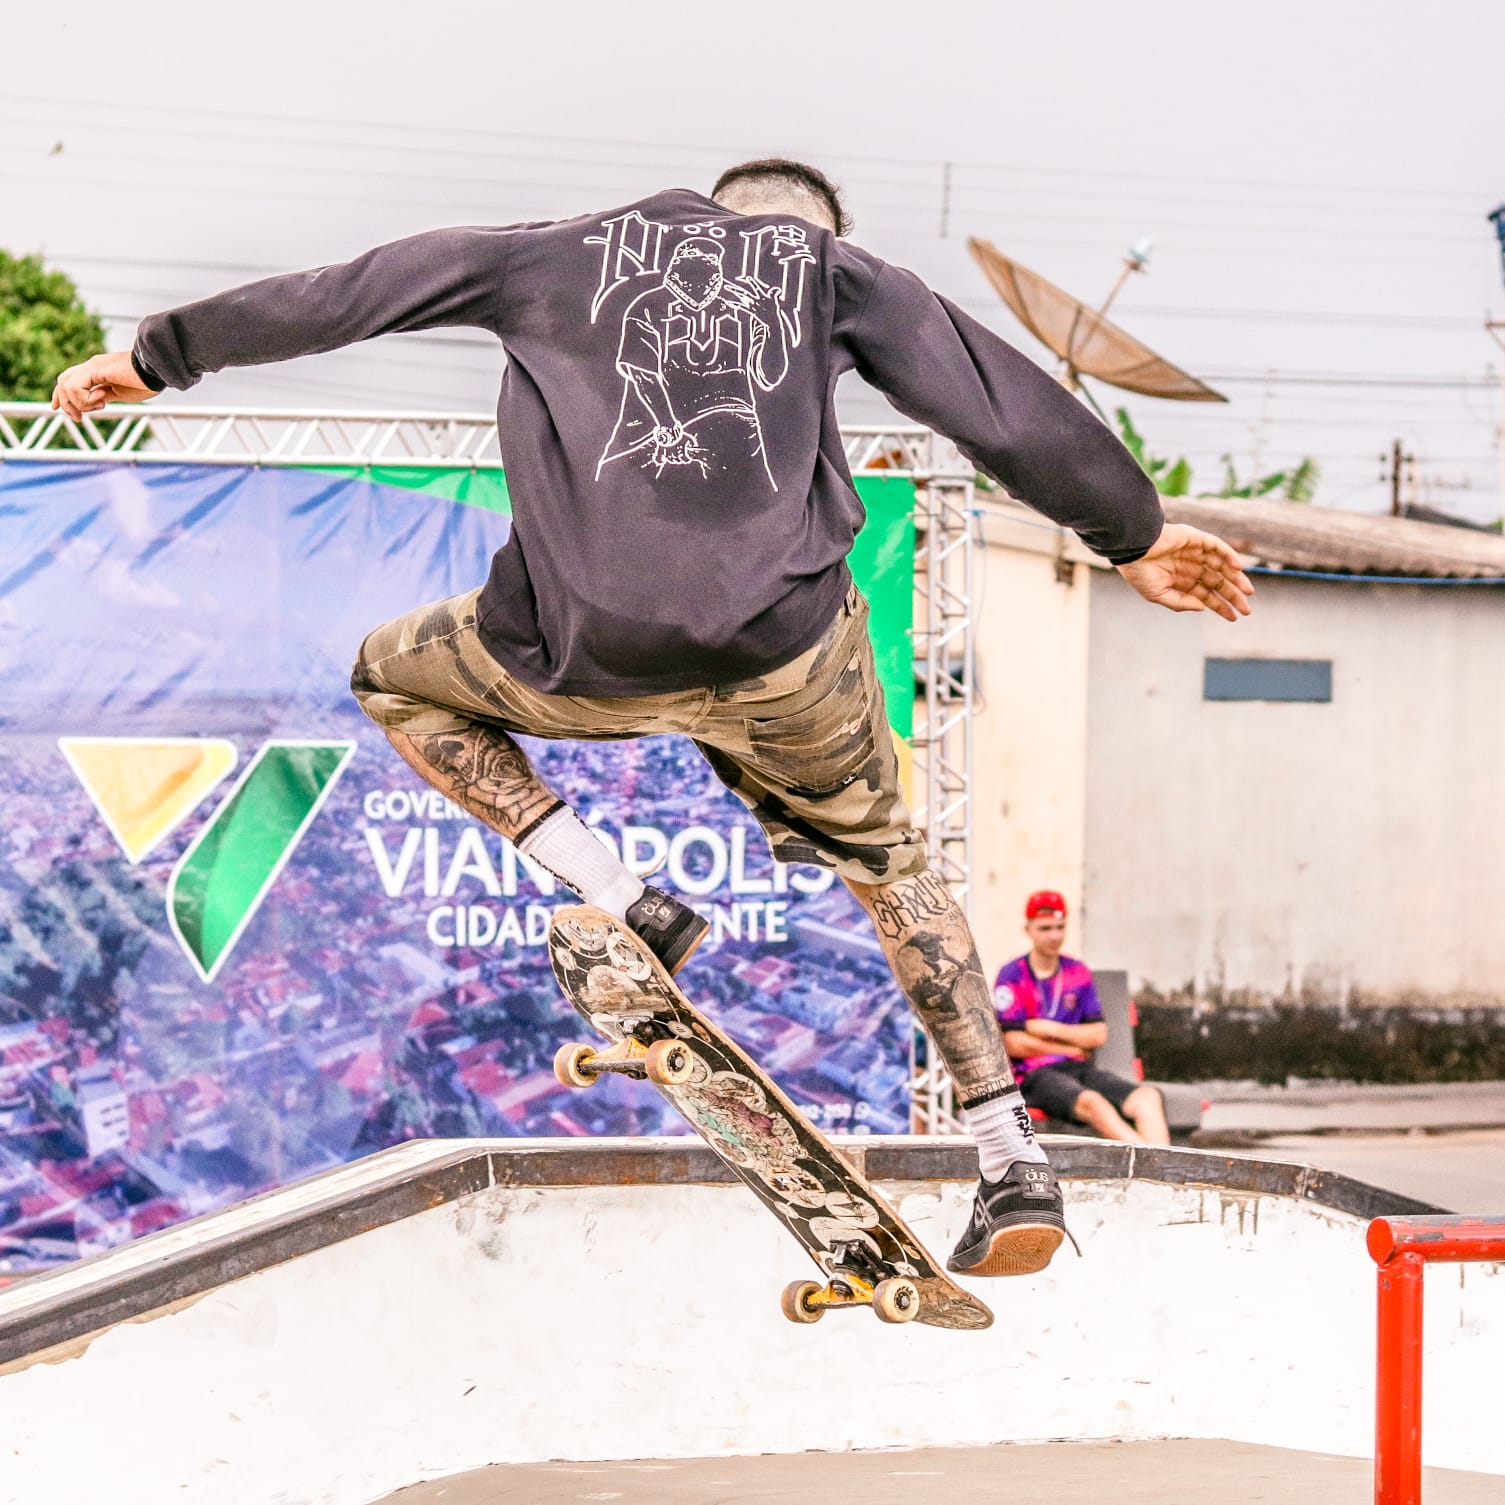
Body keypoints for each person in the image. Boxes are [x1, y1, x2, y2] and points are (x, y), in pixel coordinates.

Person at [51, 158, 1251, 1277]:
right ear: (815, 231)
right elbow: (994, 402)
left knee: (391, 676)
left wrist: (161, 357)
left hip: (579, 655)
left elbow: (352, 291)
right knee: (890, 865)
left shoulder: (545, 254)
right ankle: (1009, 1157)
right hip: (789, 662)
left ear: (715, 204)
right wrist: (1130, 532)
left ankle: (622, 892)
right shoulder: (833, 271)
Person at [995, 891, 1171, 1146]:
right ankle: (1151, 1162)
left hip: (1079, 1068)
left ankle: (1162, 1164)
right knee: (1093, 1103)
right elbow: (1013, 1043)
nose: (1054, 936)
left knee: (1147, 1097)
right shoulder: (1012, 974)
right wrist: (1070, 1046)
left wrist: (1042, 1027)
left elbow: (1098, 1035)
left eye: (1060, 927)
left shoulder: (1077, 972)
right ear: (1028, 929)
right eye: (1045, 928)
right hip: (1034, 1075)